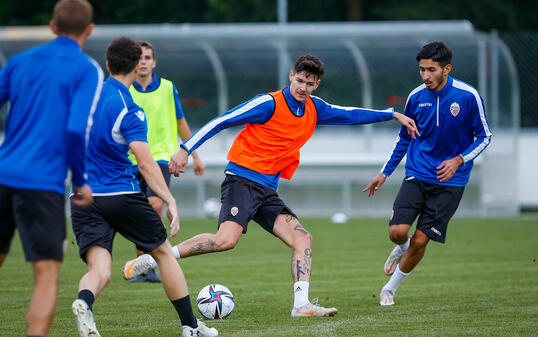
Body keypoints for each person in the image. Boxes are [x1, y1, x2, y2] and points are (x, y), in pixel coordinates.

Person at [123, 54, 419, 317]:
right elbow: (223, 120)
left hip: (266, 191)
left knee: (303, 239)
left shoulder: (316, 108)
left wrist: (391, 114)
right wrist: (185, 148)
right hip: (241, 180)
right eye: (300, 80)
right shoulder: (268, 103)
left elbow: (350, 114)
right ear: (291, 76)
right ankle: (155, 257)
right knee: (226, 240)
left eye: (310, 83)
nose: (303, 87)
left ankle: (301, 305)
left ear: (317, 85)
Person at [70, 37, 217, 337]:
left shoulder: (86, 98)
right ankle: (191, 326)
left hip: (82, 196)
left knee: (100, 270)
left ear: (108, 65)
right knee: (163, 253)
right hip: (119, 194)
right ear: (138, 66)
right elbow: (146, 163)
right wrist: (170, 199)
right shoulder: (131, 109)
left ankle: (84, 302)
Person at [362, 41, 492, 306]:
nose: (425, 76)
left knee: (421, 240)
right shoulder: (415, 97)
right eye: (422, 70)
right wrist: (384, 173)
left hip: (450, 181)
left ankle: (389, 289)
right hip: (417, 173)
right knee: (398, 233)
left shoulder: (468, 96)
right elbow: (404, 139)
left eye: (431, 70)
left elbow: (485, 136)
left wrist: (459, 160)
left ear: (447, 69)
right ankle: (400, 248)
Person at [0, 1, 102, 336]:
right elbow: (76, 130)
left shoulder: (18, 62)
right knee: (46, 275)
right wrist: (82, 180)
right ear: (89, 30)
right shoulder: (86, 70)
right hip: (42, 183)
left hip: (3, 174)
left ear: (52, 26)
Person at [125, 40, 206, 283]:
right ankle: (143, 265)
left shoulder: (168, 88)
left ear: (154, 62)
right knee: (136, 212)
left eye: (147, 57)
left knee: (153, 204)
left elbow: (181, 122)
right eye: (139, 58)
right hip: (129, 160)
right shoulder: (125, 89)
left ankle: (151, 262)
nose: (143, 62)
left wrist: (195, 156)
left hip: (160, 157)